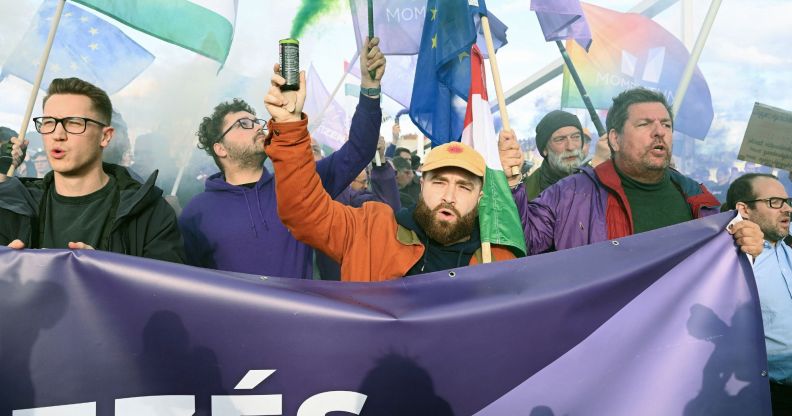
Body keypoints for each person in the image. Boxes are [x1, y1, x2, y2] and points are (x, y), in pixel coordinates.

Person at [263, 67, 516, 282]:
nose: (449, 196)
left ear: (480, 196)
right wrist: (289, 127)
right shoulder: (371, 231)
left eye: (464, 186)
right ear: (422, 184)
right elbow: (304, 212)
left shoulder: (498, 260)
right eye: (439, 182)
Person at [178, 37, 386, 278]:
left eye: (257, 121)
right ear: (220, 148)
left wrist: (370, 88)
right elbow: (191, 287)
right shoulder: (196, 213)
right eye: (243, 124)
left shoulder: (300, 185)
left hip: (301, 305)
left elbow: (360, 149)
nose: (258, 127)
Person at [499, 87, 764, 256]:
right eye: (644, 124)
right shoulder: (569, 194)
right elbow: (523, 242)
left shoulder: (697, 197)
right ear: (615, 139)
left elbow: (722, 261)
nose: (659, 132)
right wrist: (511, 183)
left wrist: (746, 242)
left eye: (666, 124)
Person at [0, 77, 185, 263]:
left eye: (74, 123)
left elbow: (167, 280)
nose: (58, 135)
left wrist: (102, 272)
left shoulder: (150, 212)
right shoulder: (16, 205)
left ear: (105, 137)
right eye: (48, 122)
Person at [723, 173, 792, 414]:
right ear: (745, 209)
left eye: (788, 201)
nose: (787, 209)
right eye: (775, 202)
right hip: (767, 396)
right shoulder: (731, 260)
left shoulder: (788, 250)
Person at [315, 138, 402, 280]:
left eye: (367, 181)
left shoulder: (357, 200)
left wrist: (379, 162)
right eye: (362, 182)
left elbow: (389, 208)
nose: (366, 186)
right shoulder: (286, 198)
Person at [522, 110, 586, 200]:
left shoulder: (594, 184)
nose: (570, 147)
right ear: (545, 149)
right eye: (560, 139)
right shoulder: (527, 194)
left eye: (576, 137)